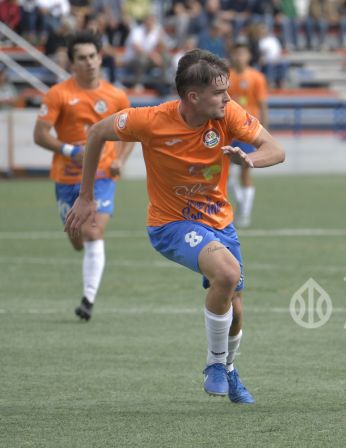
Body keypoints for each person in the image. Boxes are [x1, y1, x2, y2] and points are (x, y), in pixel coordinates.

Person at [64, 49, 286, 403]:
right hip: (171, 223)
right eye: (219, 92)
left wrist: (250, 159)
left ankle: (229, 370)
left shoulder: (227, 114)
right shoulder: (150, 120)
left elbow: (275, 149)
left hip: (219, 221)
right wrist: (86, 195)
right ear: (193, 96)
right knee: (227, 273)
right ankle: (215, 364)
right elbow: (96, 133)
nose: (228, 98)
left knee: (236, 307)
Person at [32, 32, 133, 321]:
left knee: (93, 231)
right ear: (72, 62)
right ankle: (83, 255)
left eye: (93, 56)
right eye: (82, 58)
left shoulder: (116, 95)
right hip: (67, 178)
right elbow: (40, 134)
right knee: (78, 239)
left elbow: (132, 133)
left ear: (100, 57)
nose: (89, 62)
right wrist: (68, 149)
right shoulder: (58, 94)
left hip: (102, 176)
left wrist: (120, 161)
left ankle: (88, 299)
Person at [226, 41, 269, 228]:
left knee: (245, 171)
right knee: (224, 175)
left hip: (247, 131)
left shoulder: (257, 77)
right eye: (237, 53)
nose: (239, 57)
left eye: (243, 53)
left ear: (249, 56)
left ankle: (245, 213)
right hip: (228, 130)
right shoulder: (226, 76)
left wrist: (264, 135)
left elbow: (262, 105)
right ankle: (241, 203)